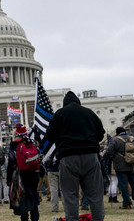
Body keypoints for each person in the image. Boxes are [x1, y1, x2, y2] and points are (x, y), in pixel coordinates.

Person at [46, 91, 105, 221]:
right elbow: (101, 133)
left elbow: (49, 136)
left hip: (68, 157)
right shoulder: (89, 113)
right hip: (90, 156)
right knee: (95, 196)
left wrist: (61, 140)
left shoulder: (59, 114)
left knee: (70, 196)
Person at [104, 126, 134, 209]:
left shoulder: (115, 140)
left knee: (123, 185)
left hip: (120, 166)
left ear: (117, 133)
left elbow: (109, 152)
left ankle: (127, 203)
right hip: (132, 165)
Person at [7, 124, 39, 221]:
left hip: (20, 174)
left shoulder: (14, 145)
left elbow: (11, 162)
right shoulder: (33, 142)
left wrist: (9, 179)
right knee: (34, 195)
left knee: (22, 196)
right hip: (34, 172)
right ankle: (35, 217)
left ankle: (24, 217)